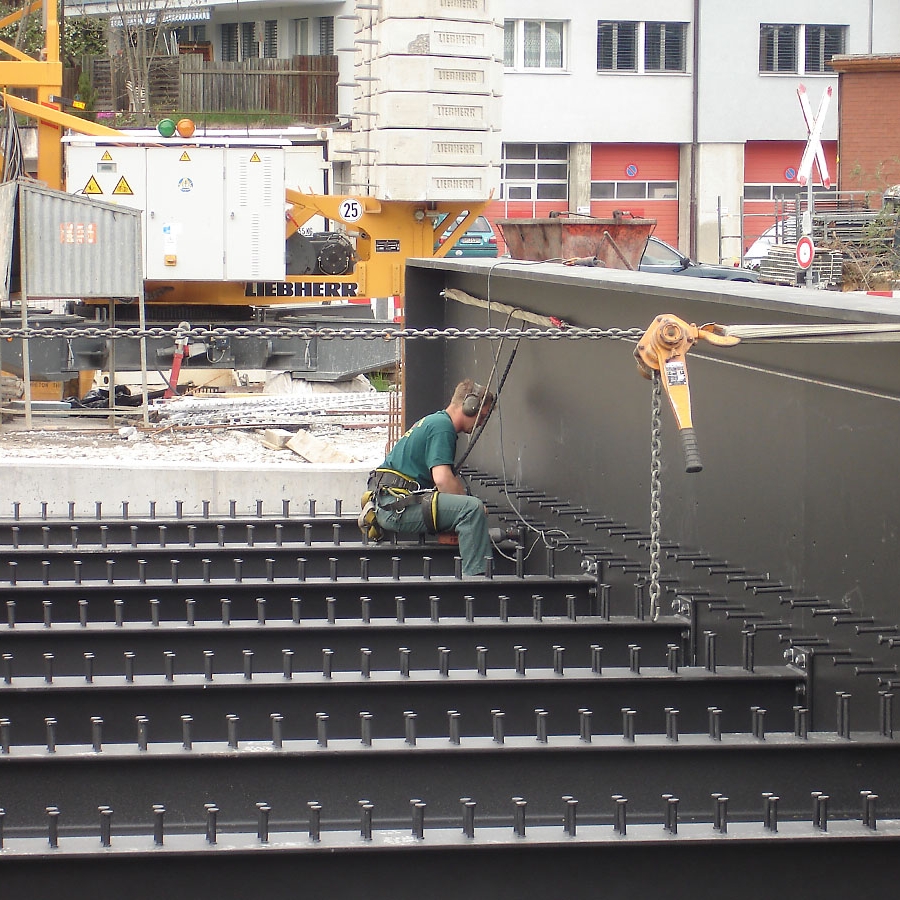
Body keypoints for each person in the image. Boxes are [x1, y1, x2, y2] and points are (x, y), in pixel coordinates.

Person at [362, 379, 494, 576]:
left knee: (466, 507)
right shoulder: (442, 427)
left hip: (390, 502)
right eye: (481, 416)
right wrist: (472, 504)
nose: (481, 423)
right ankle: (478, 581)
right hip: (395, 507)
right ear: (469, 407)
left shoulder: (435, 421)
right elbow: (442, 479)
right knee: (472, 510)